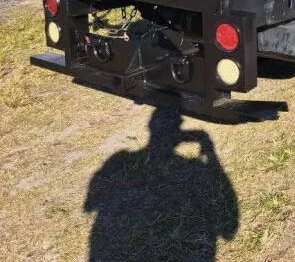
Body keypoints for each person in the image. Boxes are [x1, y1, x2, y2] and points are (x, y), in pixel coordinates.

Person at [85, 106, 238, 261]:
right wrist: (209, 151)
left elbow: (90, 204)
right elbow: (228, 229)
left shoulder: (121, 162)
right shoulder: (191, 168)